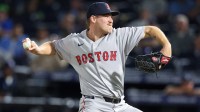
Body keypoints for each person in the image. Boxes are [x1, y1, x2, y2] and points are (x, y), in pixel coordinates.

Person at [22, 2, 172, 112]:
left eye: (111, 16)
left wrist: (167, 46)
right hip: (93, 105)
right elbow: (54, 46)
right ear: (93, 19)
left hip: (120, 105)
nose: (111, 19)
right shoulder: (75, 41)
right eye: (106, 16)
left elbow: (151, 30)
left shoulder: (120, 36)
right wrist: (37, 50)